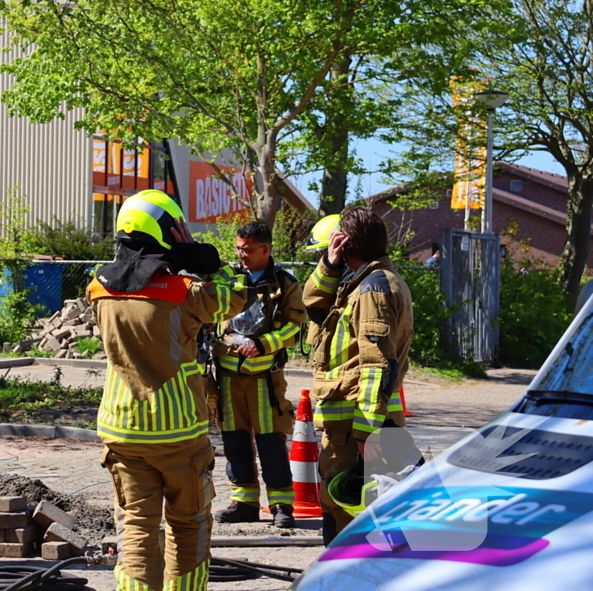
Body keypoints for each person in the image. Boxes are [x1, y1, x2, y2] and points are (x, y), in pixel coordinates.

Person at [88, 190, 246, 591]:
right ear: (169, 233)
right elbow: (237, 294)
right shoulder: (186, 292)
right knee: (188, 524)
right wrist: (201, 257)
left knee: (135, 525)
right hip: (178, 431)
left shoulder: (98, 288)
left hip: (121, 429)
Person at [302, 207, 414, 544]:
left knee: (345, 509)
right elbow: (313, 305)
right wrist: (329, 265)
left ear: (346, 243)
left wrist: (367, 434)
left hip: (355, 426)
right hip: (352, 425)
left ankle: (344, 571)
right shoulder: (361, 282)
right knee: (352, 508)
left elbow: (377, 364)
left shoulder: (371, 289)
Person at [212, 222, 306, 528]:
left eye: (247, 249)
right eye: (238, 248)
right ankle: (244, 503)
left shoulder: (285, 283)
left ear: (265, 250)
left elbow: (295, 327)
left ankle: (281, 506)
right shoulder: (227, 277)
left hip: (265, 379)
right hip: (227, 376)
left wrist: (262, 344)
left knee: (270, 442)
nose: (241, 254)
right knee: (234, 442)